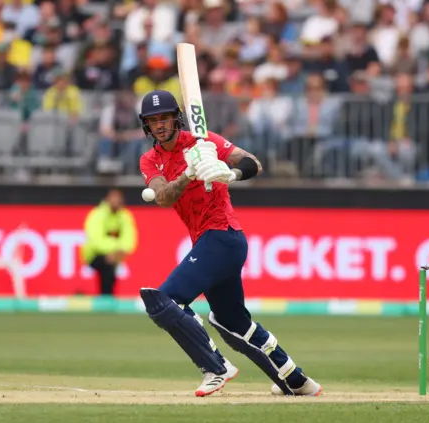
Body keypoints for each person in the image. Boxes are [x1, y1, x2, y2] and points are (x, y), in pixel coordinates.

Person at [138, 90, 322, 397]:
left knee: (163, 300)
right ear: (146, 126)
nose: (159, 125)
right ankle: (295, 379)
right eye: (153, 120)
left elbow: (253, 163)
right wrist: (188, 174)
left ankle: (215, 367)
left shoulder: (202, 140)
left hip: (223, 235)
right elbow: (163, 197)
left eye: (164, 118)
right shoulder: (150, 159)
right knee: (230, 322)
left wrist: (229, 173)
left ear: (176, 118)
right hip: (207, 242)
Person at [81, 188, 138, 296]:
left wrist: (117, 252)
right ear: (107, 199)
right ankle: (106, 297)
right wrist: (116, 249)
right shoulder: (97, 214)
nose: (116, 200)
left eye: (118, 198)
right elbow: (96, 240)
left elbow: (130, 239)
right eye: (113, 197)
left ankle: (107, 297)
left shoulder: (125, 216)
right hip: (93, 255)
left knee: (110, 265)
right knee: (107, 264)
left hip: (116, 255)